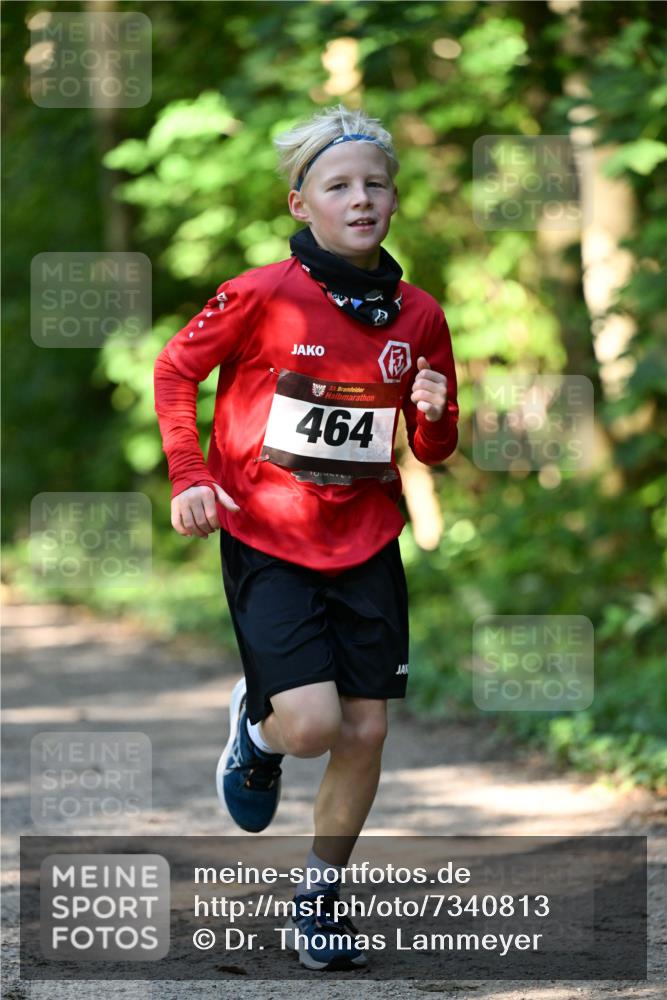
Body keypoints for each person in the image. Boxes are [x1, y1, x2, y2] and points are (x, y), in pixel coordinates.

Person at [153, 104, 458, 971]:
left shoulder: (418, 315)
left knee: (365, 732)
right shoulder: (258, 295)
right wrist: (189, 474)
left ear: (393, 200)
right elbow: (176, 368)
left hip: (365, 542)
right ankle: (257, 733)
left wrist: (433, 417)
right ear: (302, 205)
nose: (359, 199)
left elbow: (435, 438)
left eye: (374, 184)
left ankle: (320, 896)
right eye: (338, 186)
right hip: (265, 533)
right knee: (313, 725)